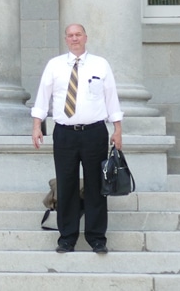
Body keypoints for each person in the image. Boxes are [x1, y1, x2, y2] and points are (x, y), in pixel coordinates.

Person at [31, 23, 123, 254]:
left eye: (78, 35)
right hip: (64, 133)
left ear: (85, 37)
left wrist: (118, 130)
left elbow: (111, 97)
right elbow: (43, 97)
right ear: (66, 39)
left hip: (94, 132)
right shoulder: (55, 65)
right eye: (70, 35)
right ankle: (67, 238)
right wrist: (36, 126)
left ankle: (96, 238)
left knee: (95, 186)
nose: (74, 39)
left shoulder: (100, 64)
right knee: (66, 185)